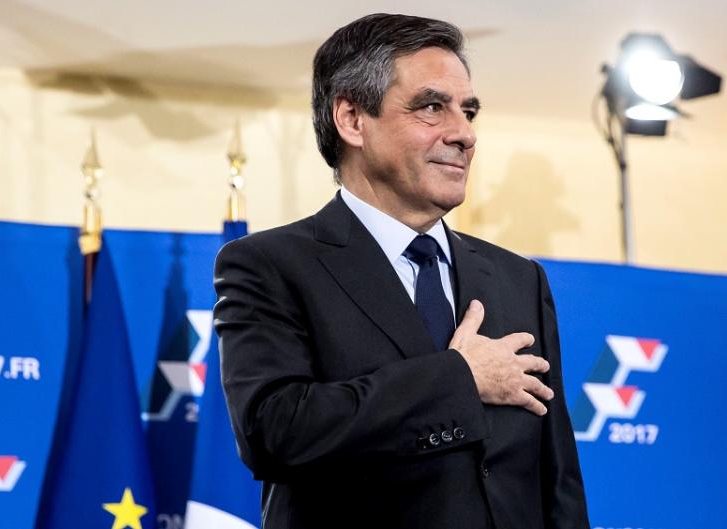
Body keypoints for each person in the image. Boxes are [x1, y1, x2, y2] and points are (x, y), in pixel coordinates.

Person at [212, 13, 588, 529]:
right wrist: (459, 379)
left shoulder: (518, 278)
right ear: (352, 120)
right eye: (432, 107)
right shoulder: (269, 265)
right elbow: (274, 432)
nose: (464, 134)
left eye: (468, 111)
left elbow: (557, 477)